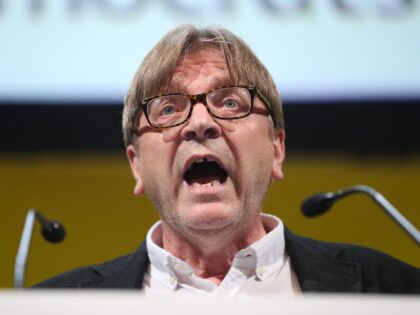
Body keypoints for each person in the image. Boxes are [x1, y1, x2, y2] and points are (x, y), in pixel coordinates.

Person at [35, 25, 420, 295]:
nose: (200, 123)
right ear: (136, 165)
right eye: (168, 109)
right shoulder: (52, 306)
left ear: (276, 149)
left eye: (231, 103)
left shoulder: (391, 289)